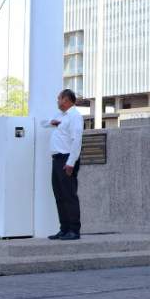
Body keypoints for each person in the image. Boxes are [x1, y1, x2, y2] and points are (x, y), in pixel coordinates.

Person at [47, 88, 84, 241]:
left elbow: (77, 140)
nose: (57, 101)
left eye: (59, 98)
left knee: (69, 195)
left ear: (66, 100)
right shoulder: (61, 115)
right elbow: (46, 123)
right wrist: (52, 122)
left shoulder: (75, 116)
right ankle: (64, 229)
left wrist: (70, 163)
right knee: (59, 196)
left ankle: (74, 230)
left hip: (66, 159)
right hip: (57, 159)